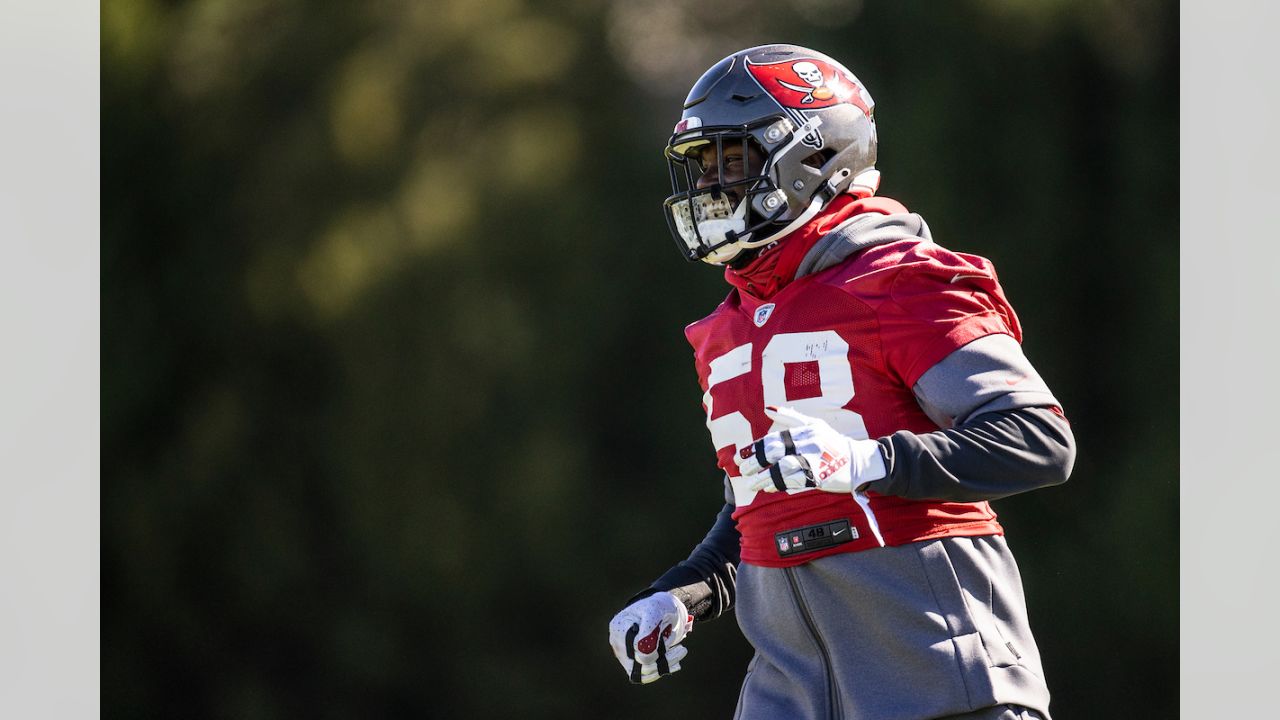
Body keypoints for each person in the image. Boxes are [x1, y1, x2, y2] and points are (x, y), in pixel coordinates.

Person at [606, 44, 1076, 720]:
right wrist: (685, 592)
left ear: (814, 157)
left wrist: (869, 460)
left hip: (941, 679)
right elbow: (765, 506)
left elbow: (1038, 439)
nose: (710, 186)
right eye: (703, 165)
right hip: (792, 694)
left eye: (731, 159)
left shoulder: (901, 279)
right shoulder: (729, 326)